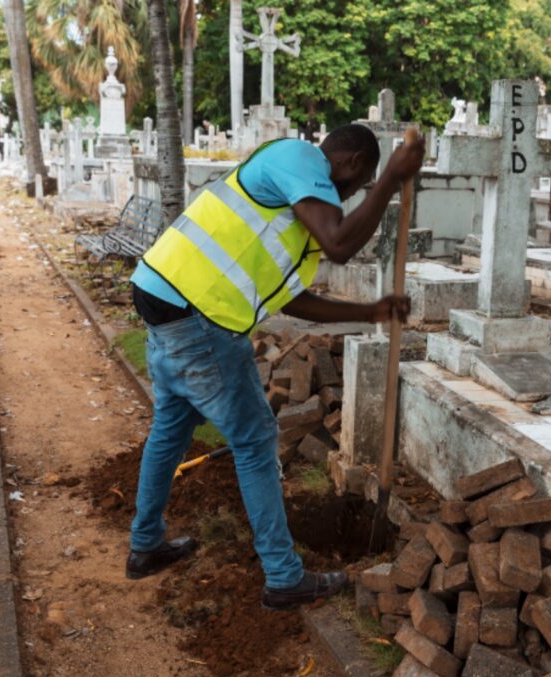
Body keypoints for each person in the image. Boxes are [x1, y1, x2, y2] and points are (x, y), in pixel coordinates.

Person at [125, 124, 425, 610]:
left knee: (171, 425)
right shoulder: (299, 158)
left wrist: (368, 312)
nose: (348, 196)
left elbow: (295, 300)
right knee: (255, 440)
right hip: (200, 314)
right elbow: (341, 245)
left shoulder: (293, 216)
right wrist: (391, 177)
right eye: (359, 182)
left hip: (167, 298)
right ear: (347, 162)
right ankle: (284, 577)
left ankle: (145, 546)